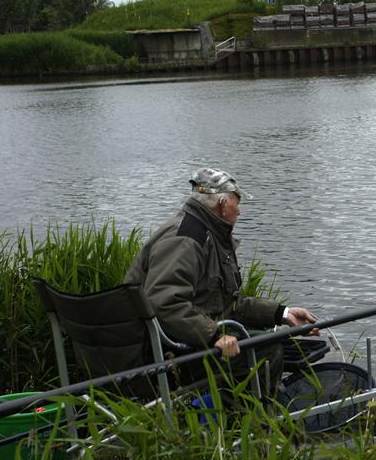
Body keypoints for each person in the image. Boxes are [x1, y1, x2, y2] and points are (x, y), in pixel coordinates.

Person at [125, 167, 318, 394]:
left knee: (264, 337)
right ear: (224, 204)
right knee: (267, 349)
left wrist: (282, 314)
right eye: (237, 203)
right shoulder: (187, 239)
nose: (240, 211)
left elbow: (229, 304)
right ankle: (257, 414)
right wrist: (213, 336)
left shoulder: (209, 234)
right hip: (169, 352)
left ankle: (237, 407)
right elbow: (164, 302)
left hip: (186, 341)